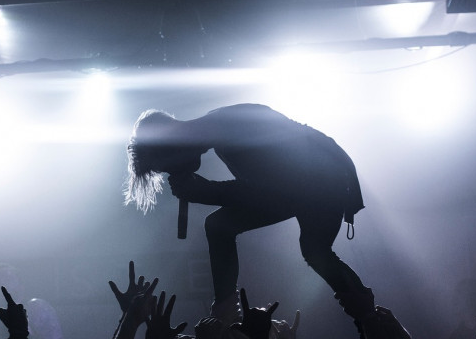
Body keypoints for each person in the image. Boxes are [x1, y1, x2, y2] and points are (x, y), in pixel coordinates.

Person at [123, 103, 371, 318]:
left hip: (320, 182)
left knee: (313, 249)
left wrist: (206, 192)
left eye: (166, 167)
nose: (172, 174)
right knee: (313, 250)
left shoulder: (228, 132)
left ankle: (369, 316)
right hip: (314, 182)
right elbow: (268, 189)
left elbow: (272, 189)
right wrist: (205, 191)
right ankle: (226, 313)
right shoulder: (221, 131)